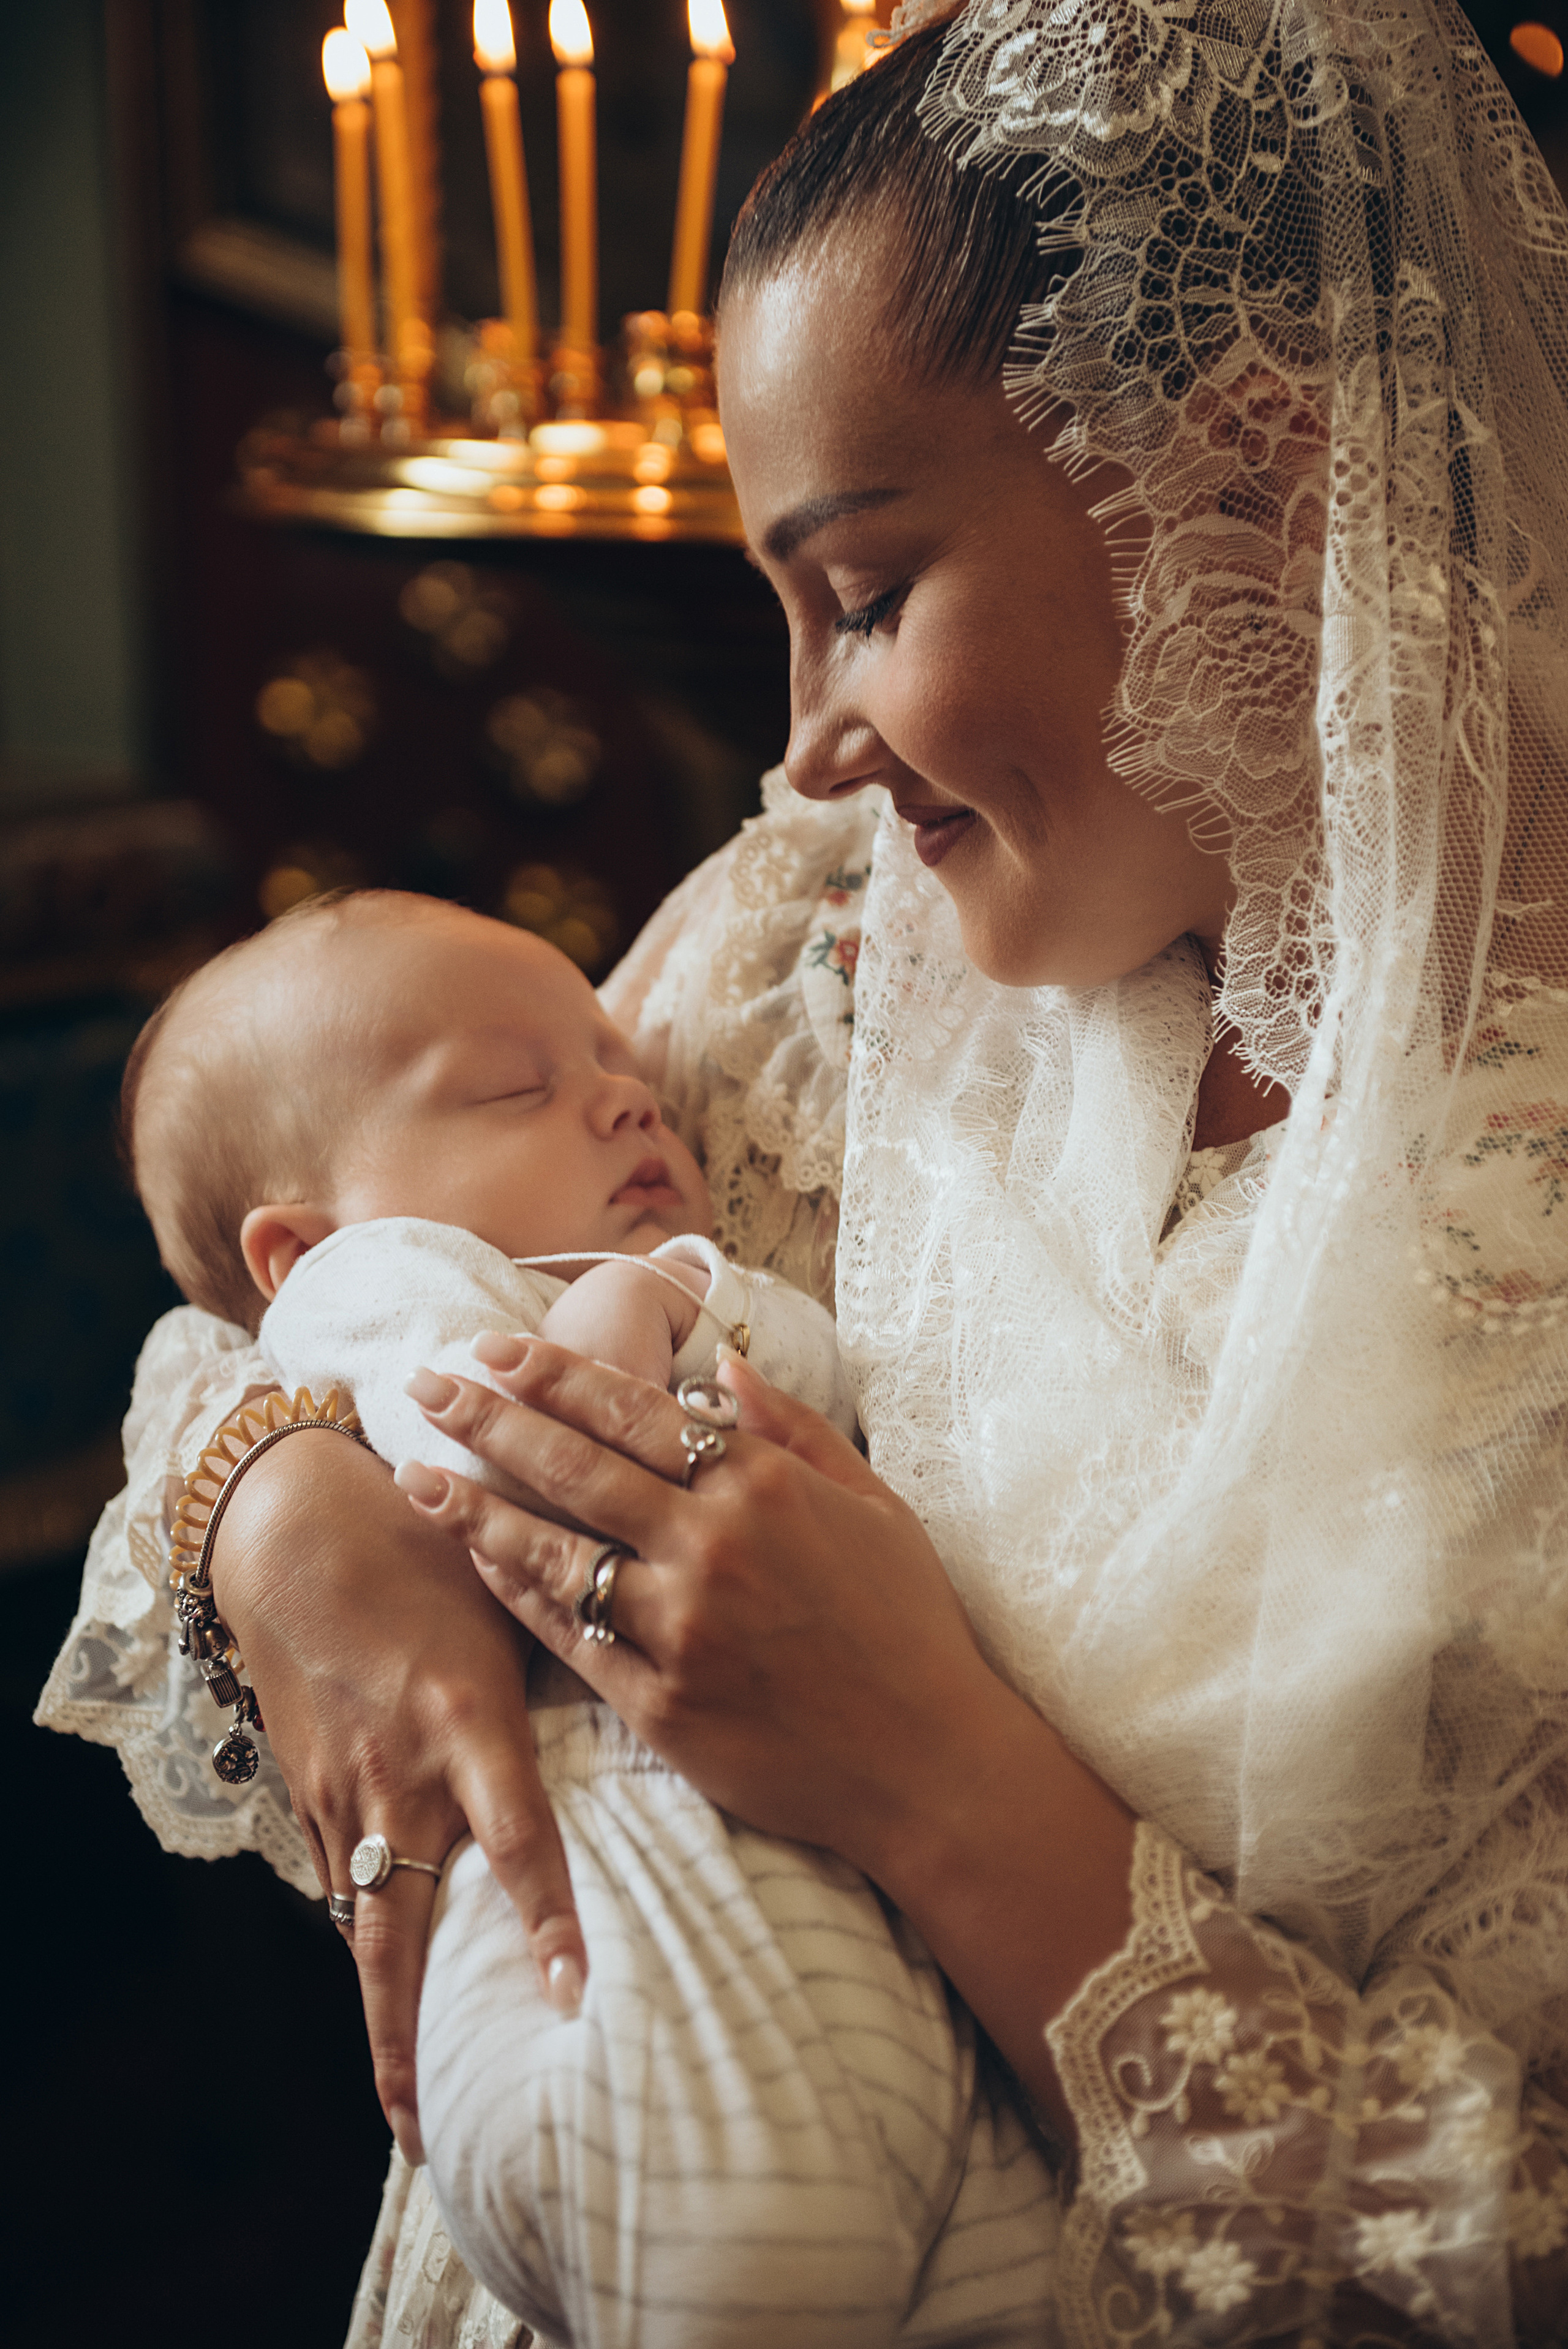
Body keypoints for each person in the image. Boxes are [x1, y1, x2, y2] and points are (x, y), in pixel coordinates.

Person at [39, 0, 1568, 2340]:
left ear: (1257, 483)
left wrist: (940, 1779)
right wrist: (288, 1508)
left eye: (861, 594)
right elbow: (304, 1257)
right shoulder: (818, 947)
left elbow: (1511, 2243)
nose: (803, 741)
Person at [123, 889, 1058, 2342]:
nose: (625, 1100)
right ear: (297, 1253)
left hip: (881, 1956)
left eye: (619, 1066)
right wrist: (602, 1337)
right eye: (519, 1086)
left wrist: (658, 1299)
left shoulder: (669, 1282)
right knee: (747, 2270)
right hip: (595, 1918)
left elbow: (811, 1379)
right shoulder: (378, 1288)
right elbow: (466, 1453)